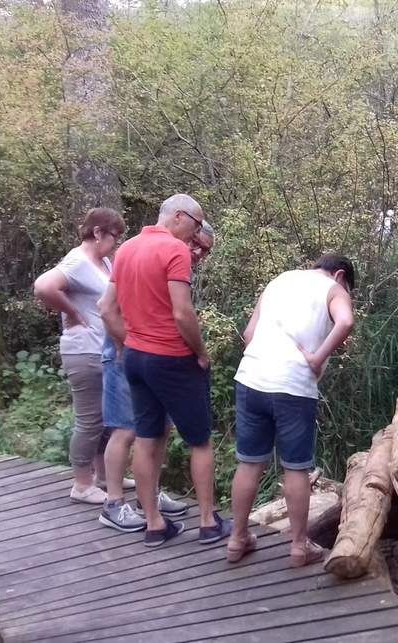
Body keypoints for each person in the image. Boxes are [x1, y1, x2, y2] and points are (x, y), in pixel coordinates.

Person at [99, 195, 230, 547]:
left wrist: (128, 344)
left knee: (146, 438)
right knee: (200, 441)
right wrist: (201, 353)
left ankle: (154, 525)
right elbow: (182, 314)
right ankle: (207, 522)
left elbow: (106, 309)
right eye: (197, 224)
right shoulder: (174, 251)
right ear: (179, 217)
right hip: (172, 357)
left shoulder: (125, 250)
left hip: (138, 360)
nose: (197, 233)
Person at [227, 254, 356, 565]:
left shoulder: (278, 281)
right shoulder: (333, 288)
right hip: (294, 386)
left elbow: (248, 335)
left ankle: (236, 539)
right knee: (296, 468)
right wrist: (317, 358)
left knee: (249, 463)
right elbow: (346, 321)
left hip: (251, 379)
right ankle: (299, 546)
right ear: (339, 275)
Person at [33, 207, 125, 505]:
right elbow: (44, 286)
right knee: (89, 420)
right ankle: (82, 484)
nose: (116, 242)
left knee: (106, 419)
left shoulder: (104, 263)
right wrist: (72, 313)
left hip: (103, 349)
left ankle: (103, 475)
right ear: (98, 233)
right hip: (83, 349)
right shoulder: (77, 261)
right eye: (114, 236)